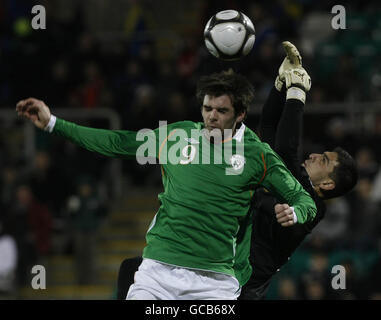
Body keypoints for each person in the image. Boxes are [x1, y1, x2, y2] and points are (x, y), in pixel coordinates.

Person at [16, 61, 317, 300]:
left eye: (221, 111)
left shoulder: (257, 155)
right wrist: (54, 123)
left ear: (240, 114)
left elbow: (305, 200)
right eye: (207, 108)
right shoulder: (177, 136)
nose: (211, 116)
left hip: (215, 283)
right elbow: (118, 143)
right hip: (158, 272)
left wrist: (295, 211)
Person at [114, 42, 358, 300]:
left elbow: (286, 147)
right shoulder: (287, 176)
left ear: (329, 184)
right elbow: (269, 127)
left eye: (324, 160)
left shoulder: (312, 208)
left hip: (240, 287)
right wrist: (281, 83)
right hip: (216, 270)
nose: (315, 155)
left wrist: (297, 91)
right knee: (132, 268)